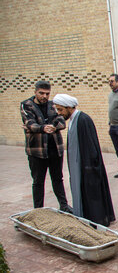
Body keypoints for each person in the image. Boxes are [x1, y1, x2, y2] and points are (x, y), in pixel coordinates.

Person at [53, 94, 115, 226]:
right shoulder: (73, 120)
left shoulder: (83, 120)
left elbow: (90, 147)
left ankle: (96, 220)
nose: (59, 113)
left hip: (88, 167)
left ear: (69, 107)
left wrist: (88, 167)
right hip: (80, 166)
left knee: (92, 195)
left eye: (60, 110)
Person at [20, 80, 71, 212]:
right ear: (35, 92)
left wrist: (51, 126)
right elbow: (30, 123)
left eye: (47, 94)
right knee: (38, 181)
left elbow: (61, 121)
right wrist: (43, 127)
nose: (44, 96)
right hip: (37, 151)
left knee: (58, 179)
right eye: (41, 93)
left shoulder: (52, 105)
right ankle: (38, 210)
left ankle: (64, 205)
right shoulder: (27, 105)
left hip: (55, 149)